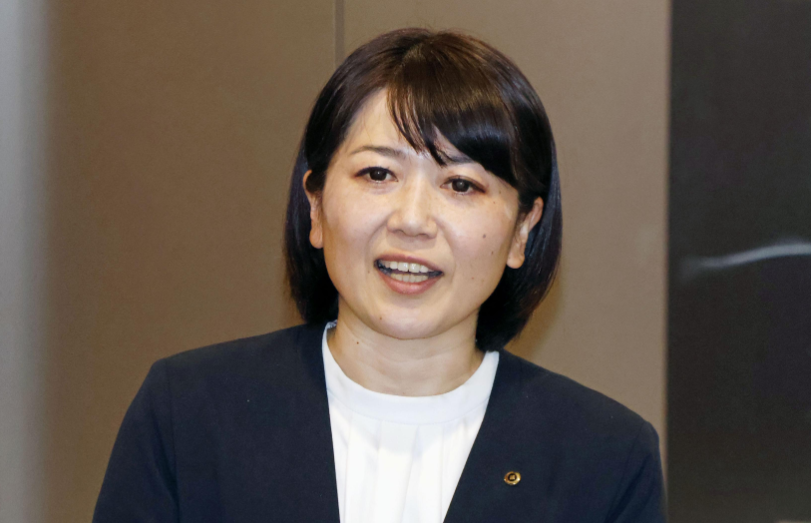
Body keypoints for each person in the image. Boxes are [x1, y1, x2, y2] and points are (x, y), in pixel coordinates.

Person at [93, 28, 665, 523]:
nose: (411, 220)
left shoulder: (606, 458)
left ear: (522, 229)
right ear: (316, 206)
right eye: (377, 174)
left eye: (461, 184)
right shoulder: (187, 415)